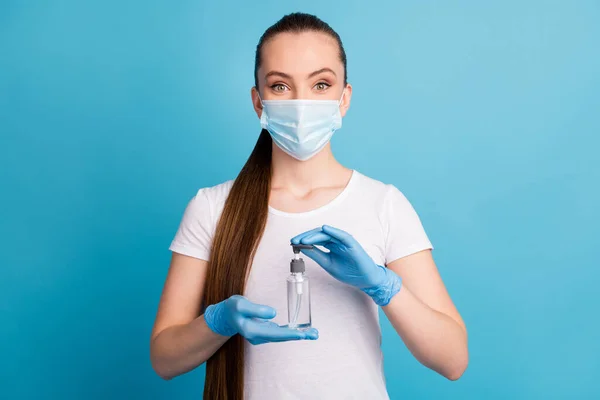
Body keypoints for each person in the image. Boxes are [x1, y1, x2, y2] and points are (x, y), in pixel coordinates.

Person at [150, 12, 468, 400]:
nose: (301, 103)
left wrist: (383, 287)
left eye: (320, 84)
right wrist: (218, 322)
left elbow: (453, 360)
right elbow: (164, 360)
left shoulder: (383, 204)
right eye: (281, 86)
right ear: (258, 102)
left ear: (344, 98)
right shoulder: (213, 208)